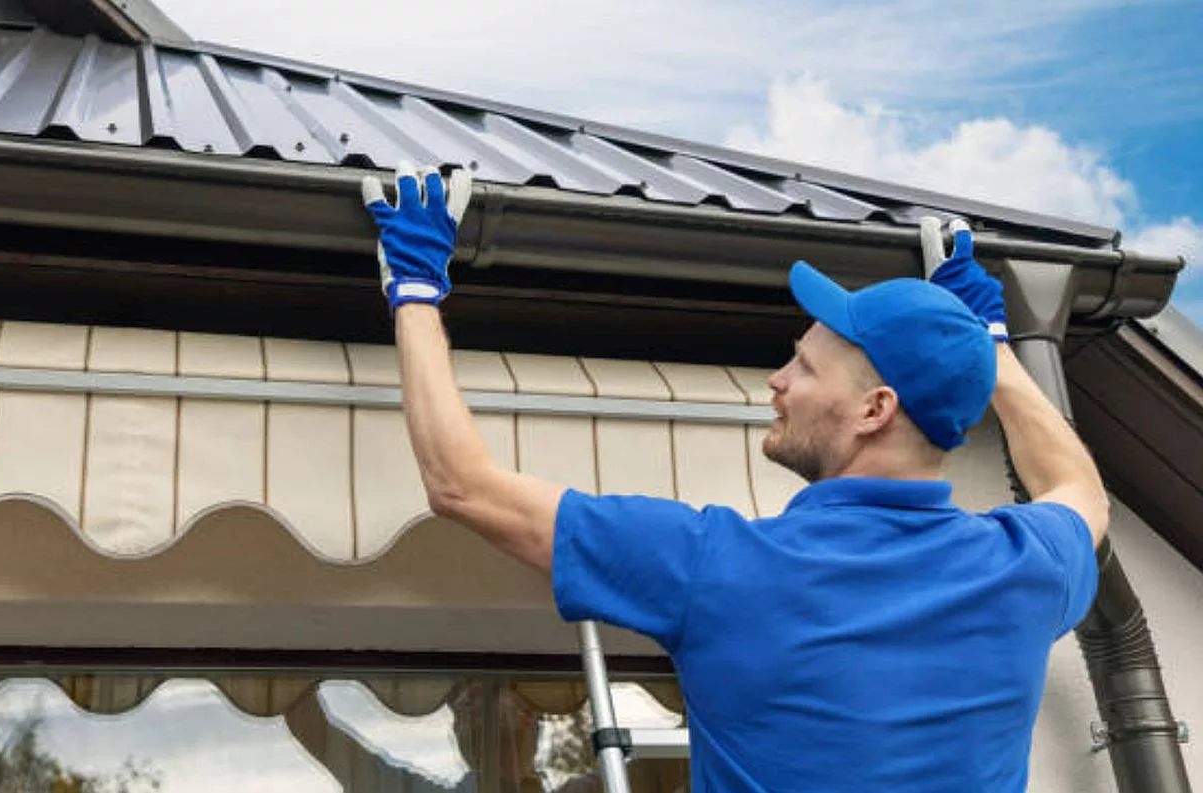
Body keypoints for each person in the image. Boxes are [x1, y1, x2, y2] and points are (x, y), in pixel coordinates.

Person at [362, 163, 1105, 792]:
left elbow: (461, 483)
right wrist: (990, 349)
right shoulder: (1022, 568)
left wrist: (417, 292)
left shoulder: (719, 568)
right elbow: (1080, 488)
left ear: (876, 408)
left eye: (805, 366)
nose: (778, 380)